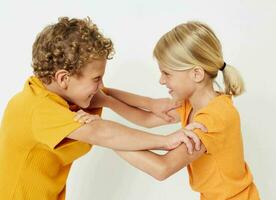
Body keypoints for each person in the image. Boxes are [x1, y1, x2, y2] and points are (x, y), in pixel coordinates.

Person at [0, 17, 203, 200]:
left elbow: (105, 96)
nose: (101, 84)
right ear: (63, 78)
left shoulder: (61, 95)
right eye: (96, 78)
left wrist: (149, 104)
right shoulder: (38, 109)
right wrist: (165, 141)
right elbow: (101, 132)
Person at [77, 21, 260, 200]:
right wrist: (106, 98)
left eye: (167, 74)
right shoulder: (193, 103)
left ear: (196, 74)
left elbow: (162, 168)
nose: (161, 81)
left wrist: (102, 134)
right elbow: (146, 119)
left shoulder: (214, 118)